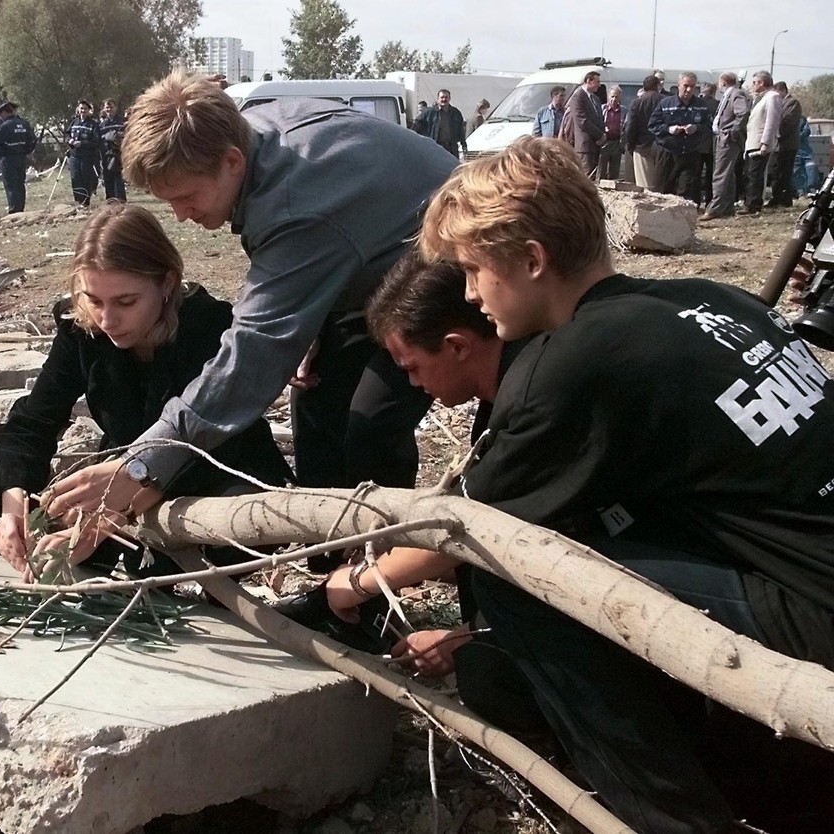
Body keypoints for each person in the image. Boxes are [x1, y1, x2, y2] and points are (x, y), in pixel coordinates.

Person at [338, 135, 834, 834]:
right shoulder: (712, 300)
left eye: (475, 271)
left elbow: (467, 529)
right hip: (797, 572)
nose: (472, 295)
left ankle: (672, 821)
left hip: (813, 608)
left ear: (533, 261)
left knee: (521, 577)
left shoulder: (575, 362)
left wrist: (352, 583)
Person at [42, 69, 455, 534]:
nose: (180, 214)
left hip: (452, 263)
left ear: (232, 162)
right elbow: (333, 241)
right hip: (371, 262)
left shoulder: (294, 203)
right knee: (316, 406)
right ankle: (329, 573)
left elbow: (252, 354)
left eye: (187, 196)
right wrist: (307, 319)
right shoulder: (246, 133)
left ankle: (375, 575)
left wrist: (142, 466)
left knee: (370, 423)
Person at [0, 203, 292, 578]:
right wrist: (12, 497)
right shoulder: (80, 330)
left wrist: (113, 513)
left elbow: (206, 442)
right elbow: (33, 420)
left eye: (126, 302)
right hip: (121, 479)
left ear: (166, 284)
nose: (107, 319)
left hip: (219, 479)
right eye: (93, 300)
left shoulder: (209, 327)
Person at [648, 72, 713, 203]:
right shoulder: (665, 103)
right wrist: (669, 129)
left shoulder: (701, 105)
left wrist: (696, 128)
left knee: (686, 192)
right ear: (678, 85)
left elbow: (709, 127)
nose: (689, 90)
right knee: (663, 192)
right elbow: (652, 125)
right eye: (686, 86)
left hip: (690, 154)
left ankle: (683, 220)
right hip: (668, 154)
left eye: (692, 86)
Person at [700, 72, 751, 221]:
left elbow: (743, 112)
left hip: (727, 139)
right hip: (722, 137)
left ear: (722, 82)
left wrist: (732, 130)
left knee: (720, 173)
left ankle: (715, 208)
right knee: (728, 174)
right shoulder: (728, 95)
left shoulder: (736, 94)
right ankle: (727, 207)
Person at [741, 71, 781, 215]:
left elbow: (772, 121)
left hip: (759, 143)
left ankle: (753, 206)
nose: (752, 85)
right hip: (752, 142)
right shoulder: (760, 98)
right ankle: (749, 203)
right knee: (750, 174)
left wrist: (765, 143)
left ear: (762, 83)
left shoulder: (773, 97)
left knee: (755, 175)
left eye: (754, 82)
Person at [0, 101, 36, 214]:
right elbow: (33, 140)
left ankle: (14, 209)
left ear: (6, 112)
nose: (0, 117)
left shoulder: (5, 126)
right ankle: (20, 207)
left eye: (1, 114)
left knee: (11, 184)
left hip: (8, 159)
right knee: (20, 183)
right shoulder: (24, 123)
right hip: (21, 157)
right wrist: (26, 151)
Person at [561, 71, 605, 176]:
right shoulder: (578, 97)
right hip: (585, 146)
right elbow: (582, 120)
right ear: (589, 81)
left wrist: (602, 136)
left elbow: (600, 118)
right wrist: (599, 135)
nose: (599, 85)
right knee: (586, 176)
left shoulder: (595, 99)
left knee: (594, 177)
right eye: (597, 82)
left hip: (596, 145)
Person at [767, 80, 804, 208]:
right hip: (779, 145)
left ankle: (784, 198)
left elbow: (787, 122)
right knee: (777, 171)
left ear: (783, 91)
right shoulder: (781, 103)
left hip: (787, 145)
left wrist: (775, 133)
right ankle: (777, 197)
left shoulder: (792, 103)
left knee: (784, 172)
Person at [625, 74, 665, 190]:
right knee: (660, 183)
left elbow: (631, 127)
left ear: (644, 87)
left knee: (644, 186)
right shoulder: (665, 101)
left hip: (641, 146)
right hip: (661, 145)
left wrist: (630, 145)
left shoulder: (637, 103)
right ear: (657, 86)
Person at [67, 100, 102, 207]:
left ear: (89, 111)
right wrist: (69, 141)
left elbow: (96, 141)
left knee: (85, 178)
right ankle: (78, 201)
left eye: (85, 109)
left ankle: (85, 202)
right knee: (75, 177)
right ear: (78, 109)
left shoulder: (93, 124)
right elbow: (67, 135)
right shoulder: (74, 122)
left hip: (86, 156)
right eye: (81, 108)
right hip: (74, 156)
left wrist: (82, 143)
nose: (83, 111)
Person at [416, 89, 467, 159]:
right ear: (438, 99)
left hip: (451, 148)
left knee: (452, 168)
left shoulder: (456, 113)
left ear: (449, 99)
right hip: (435, 148)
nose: (444, 99)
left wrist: (464, 145)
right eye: (442, 97)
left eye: (446, 97)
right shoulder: (429, 112)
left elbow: (461, 131)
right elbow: (416, 126)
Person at [98, 99, 126, 203]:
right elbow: (99, 139)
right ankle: (110, 200)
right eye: (107, 107)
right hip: (106, 154)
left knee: (118, 177)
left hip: (119, 153)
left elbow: (127, 135)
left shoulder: (122, 121)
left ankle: (121, 200)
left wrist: (117, 136)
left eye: (111, 107)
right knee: (107, 177)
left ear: (115, 108)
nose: (109, 109)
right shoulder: (102, 124)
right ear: (104, 109)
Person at [598, 85, 624, 180]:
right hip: (605, 142)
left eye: (616, 96)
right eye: (612, 96)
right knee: (601, 170)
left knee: (614, 171)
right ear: (608, 96)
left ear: (620, 97)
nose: (614, 99)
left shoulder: (623, 111)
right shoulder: (602, 109)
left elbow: (625, 127)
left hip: (617, 143)